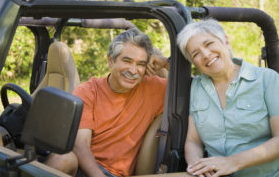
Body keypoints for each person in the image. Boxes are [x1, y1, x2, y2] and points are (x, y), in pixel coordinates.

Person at [46, 28, 170, 177]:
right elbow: (81, 145)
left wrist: (165, 63)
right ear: (110, 60)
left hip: (116, 174)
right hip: (85, 167)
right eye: (127, 61)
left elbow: (195, 89)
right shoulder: (87, 91)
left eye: (141, 64)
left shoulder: (154, 88)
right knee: (63, 158)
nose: (133, 70)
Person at [177, 18, 279, 177]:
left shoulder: (267, 79)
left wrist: (232, 162)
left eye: (209, 44)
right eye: (195, 54)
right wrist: (196, 167)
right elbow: (193, 141)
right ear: (193, 62)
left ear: (225, 40)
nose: (205, 54)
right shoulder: (196, 87)